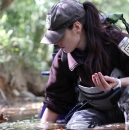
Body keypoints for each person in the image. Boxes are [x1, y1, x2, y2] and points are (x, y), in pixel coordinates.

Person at [40, 0, 129, 128]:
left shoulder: (117, 41)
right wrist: (42, 127)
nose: (56, 42)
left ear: (77, 27)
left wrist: (120, 83)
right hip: (98, 112)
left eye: (59, 35)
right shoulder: (62, 58)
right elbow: (56, 100)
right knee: (76, 126)